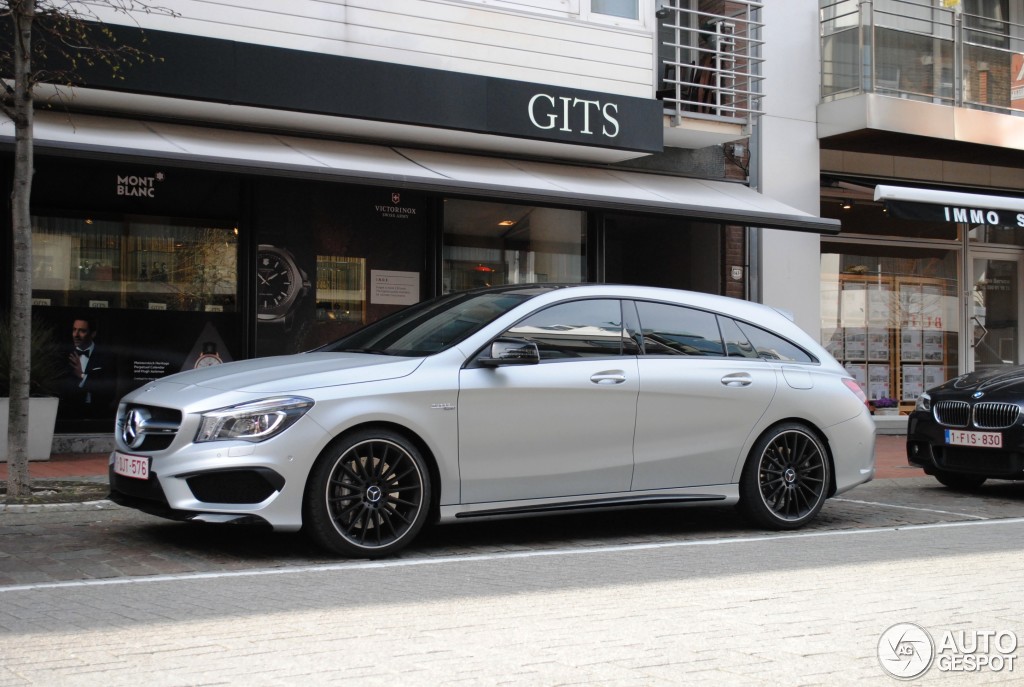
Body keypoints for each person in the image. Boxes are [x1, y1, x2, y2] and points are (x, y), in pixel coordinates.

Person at [61, 317, 118, 420]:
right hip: (68, 415)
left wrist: (82, 376)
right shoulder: (64, 355)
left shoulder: (106, 356)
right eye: (74, 330)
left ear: (93, 334)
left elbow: (110, 391)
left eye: (82, 331)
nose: (76, 335)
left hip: (98, 414)